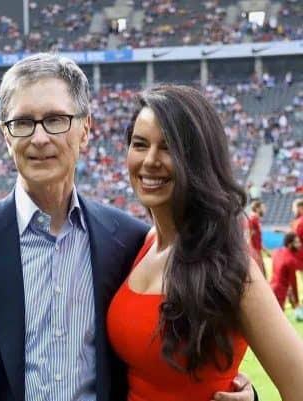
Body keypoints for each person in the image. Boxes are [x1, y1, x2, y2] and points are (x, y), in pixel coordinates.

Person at [0, 55, 254, 401]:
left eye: (55, 120)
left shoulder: (129, 242)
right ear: (6, 135)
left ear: (85, 129)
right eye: (23, 122)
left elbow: (162, 363)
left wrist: (239, 393)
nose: (39, 137)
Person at [107, 84, 303, 401]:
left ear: (197, 159)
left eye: (169, 147)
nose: (150, 160)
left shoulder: (231, 269)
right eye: (140, 144)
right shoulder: (143, 244)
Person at [270, 233, 303, 310]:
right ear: (289, 245)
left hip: (271, 287)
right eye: (297, 242)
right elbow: (293, 282)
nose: (300, 245)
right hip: (280, 292)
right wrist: (297, 302)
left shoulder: (277, 252)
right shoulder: (290, 260)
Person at [247, 200, 266, 277]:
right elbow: (249, 234)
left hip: (256, 248)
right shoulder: (253, 219)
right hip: (254, 249)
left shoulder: (255, 219)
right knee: (258, 272)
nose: (264, 209)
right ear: (257, 208)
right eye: (263, 207)